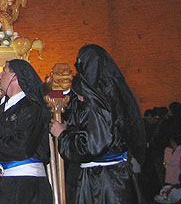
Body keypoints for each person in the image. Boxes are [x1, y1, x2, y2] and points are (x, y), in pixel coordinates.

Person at [50, 44, 146, 204]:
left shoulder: (97, 102)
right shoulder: (109, 94)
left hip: (103, 181)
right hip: (112, 176)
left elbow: (91, 146)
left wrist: (62, 134)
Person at [0, 59, 52, 204]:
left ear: (15, 77)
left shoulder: (31, 108)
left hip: (26, 186)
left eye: (4, 71)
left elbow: (22, 147)